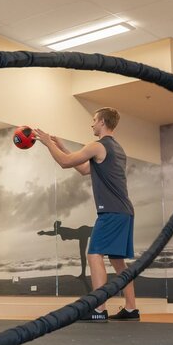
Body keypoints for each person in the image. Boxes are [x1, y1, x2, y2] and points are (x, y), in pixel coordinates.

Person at [33, 107, 139, 322]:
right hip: (124, 211)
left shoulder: (98, 146)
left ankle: (99, 309)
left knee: (94, 254)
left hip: (111, 212)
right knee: (118, 261)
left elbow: (65, 162)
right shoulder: (116, 149)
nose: (91, 124)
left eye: (93, 120)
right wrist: (61, 145)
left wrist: (48, 143)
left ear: (101, 122)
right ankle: (131, 308)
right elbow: (83, 169)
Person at [36, 220, 93, 290]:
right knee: (82, 254)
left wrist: (44, 233)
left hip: (83, 232)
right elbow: (53, 233)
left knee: (83, 254)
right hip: (82, 234)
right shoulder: (60, 230)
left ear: (57, 226)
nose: (54, 227)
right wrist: (44, 233)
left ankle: (83, 275)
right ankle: (83, 274)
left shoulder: (61, 230)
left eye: (55, 226)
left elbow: (52, 233)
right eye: (54, 226)